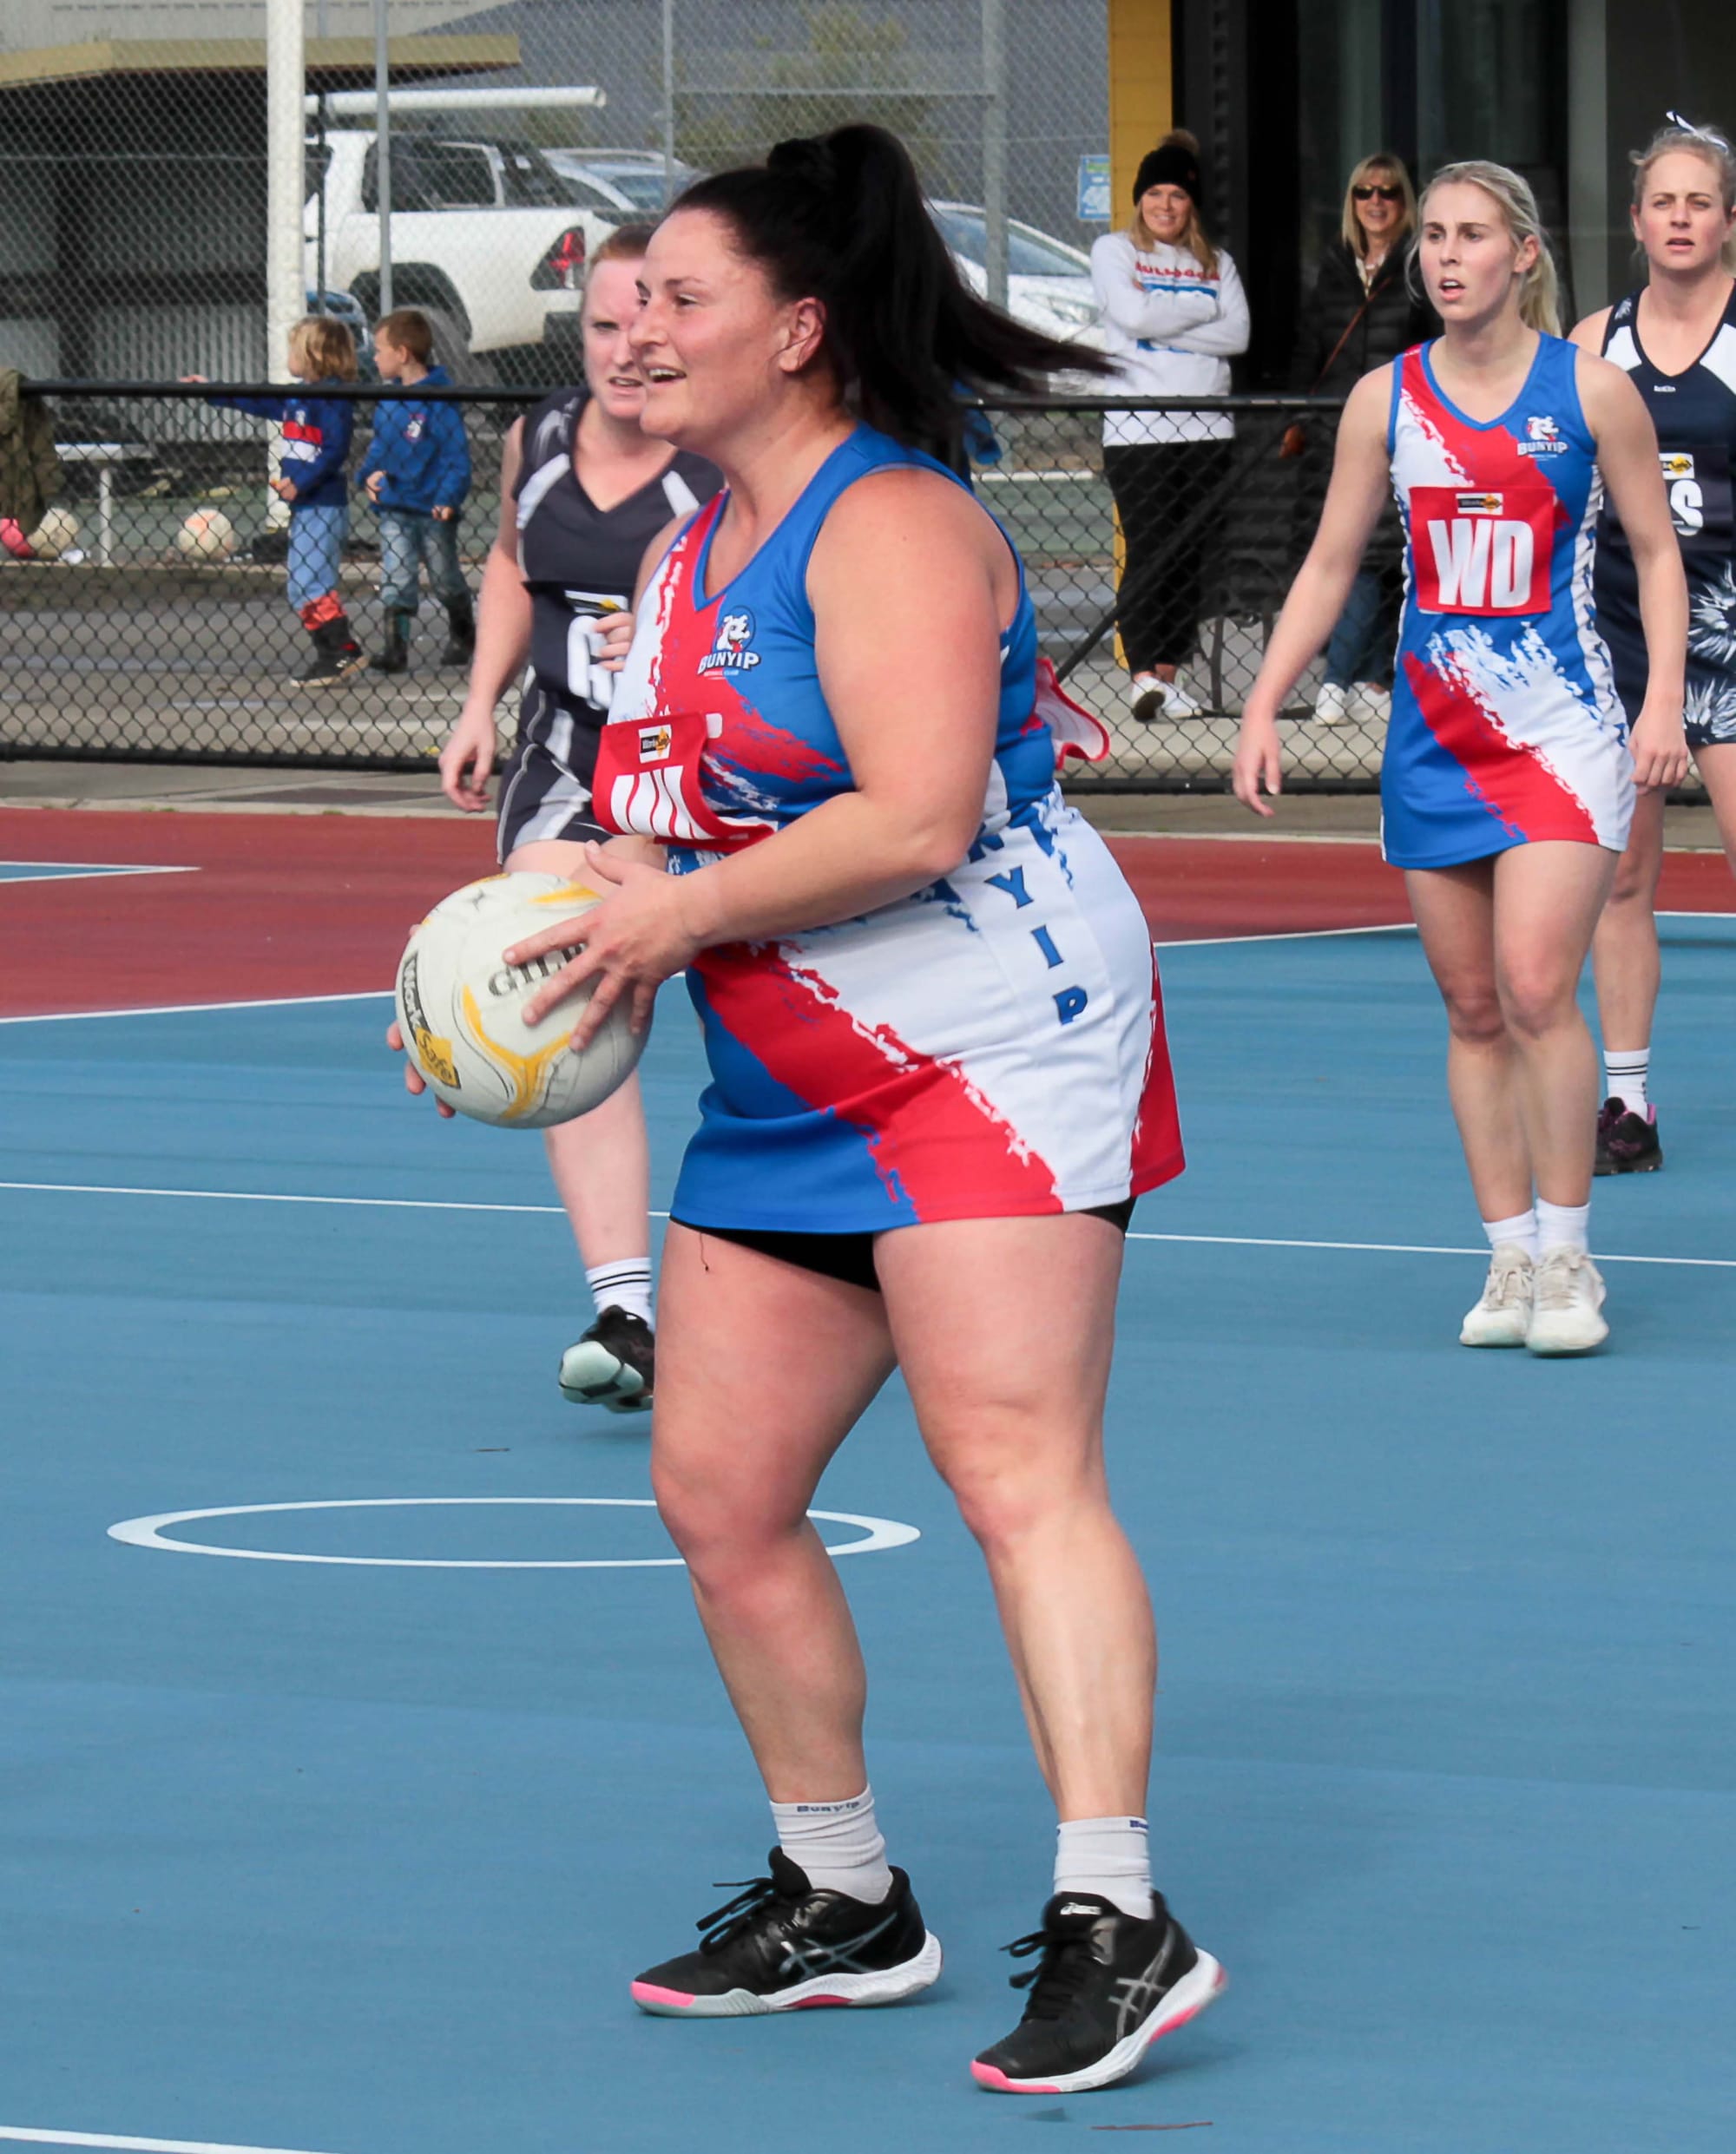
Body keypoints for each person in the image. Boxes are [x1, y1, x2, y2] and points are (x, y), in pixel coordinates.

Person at [411, 124, 1226, 2093]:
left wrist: (675, 908)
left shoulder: (889, 525)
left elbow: (916, 812)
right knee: (715, 1489)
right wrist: (509, 957)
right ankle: (840, 1889)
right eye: (627, 302)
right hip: (788, 1065)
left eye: (682, 300)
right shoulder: (686, 544)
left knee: (1011, 1473)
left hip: (992, 1051)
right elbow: (665, 818)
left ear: (793, 329)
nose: (637, 330)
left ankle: (1120, 1912)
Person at [1233, 161, 1689, 1355]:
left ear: (1523, 254)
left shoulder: (1592, 394)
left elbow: (1654, 550)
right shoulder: (1387, 399)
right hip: (1435, 735)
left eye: (1471, 234)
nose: (1443, 253)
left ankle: (1570, 1257)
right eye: (1431, 233)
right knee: (1473, 1002)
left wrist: (1665, 704)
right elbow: (1332, 563)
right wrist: (1264, 701)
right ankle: (1508, 1258)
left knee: (1539, 985)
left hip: (1562, 729)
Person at [436, 227, 721, 1413]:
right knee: (576, 976)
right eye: (602, 326)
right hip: (572, 753)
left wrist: (672, 634)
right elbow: (512, 563)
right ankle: (626, 1308)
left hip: (719, 759)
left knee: (776, 1008)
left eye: (646, 324)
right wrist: (479, 703)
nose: (624, 349)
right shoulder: (540, 439)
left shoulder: (724, 458)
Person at [1576, 117, 1736, 1175]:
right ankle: (1624, 1106)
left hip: (1728, 635)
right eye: (1661, 202)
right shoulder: (1592, 343)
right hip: (1621, 635)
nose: (1679, 218)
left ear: (1727, 219)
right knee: (1621, 879)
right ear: (1635, 221)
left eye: (1699, 202)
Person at [1090, 130, 1250, 722]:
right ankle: (1139, 671)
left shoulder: (1218, 262)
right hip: (1139, 432)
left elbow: (1238, 336)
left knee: (1189, 557)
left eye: (1177, 195)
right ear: (1140, 199)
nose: (1165, 205)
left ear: (1192, 204)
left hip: (1208, 429)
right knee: (1150, 548)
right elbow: (1130, 315)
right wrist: (1201, 310)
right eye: (1154, 193)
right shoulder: (1114, 252)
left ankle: (1167, 678)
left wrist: (1161, 325)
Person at [1292, 153, 1436, 726]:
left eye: (1390, 193)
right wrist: (1300, 415)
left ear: (1406, 203)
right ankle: (1350, 677)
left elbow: (1431, 345)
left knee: (1385, 556)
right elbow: (1311, 343)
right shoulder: (1332, 264)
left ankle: (1351, 679)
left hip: (1403, 426)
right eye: (1364, 193)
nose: (1376, 202)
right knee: (1353, 554)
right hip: (1335, 429)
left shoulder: (1419, 266)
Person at [186, 316, 366, 686]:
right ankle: (333, 651)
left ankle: (341, 650)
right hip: (306, 507)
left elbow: (334, 451)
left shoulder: (332, 399)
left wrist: (300, 482)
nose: (289, 355)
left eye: (294, 348)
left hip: (323, 506)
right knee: (302, 584)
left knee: (310, 582)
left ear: (314, 354)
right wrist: (213, 390)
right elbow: (256, 400)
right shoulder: (298, 394)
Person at [358, 308, 475, 676]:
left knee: (444, 576)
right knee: (397, 574)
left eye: (380, 349)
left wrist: (447, 498)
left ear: (403, 353)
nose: (375, 357)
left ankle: (464, 632)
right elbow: (380, 449)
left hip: (432, 509)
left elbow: (456, 457)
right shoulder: (389, 402)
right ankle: (396, 649)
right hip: (396, 506)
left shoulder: (437, 401)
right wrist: (369, 475)